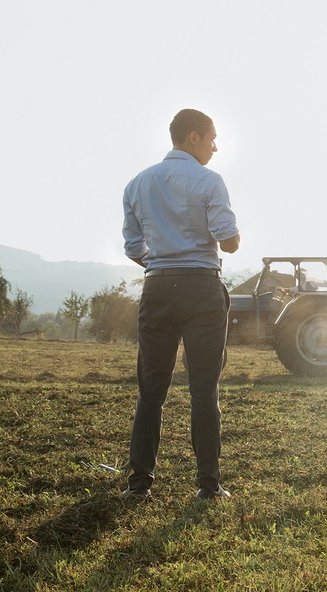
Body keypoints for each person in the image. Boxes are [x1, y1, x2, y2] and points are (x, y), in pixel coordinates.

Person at [121, 108, 241, 501]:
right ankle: (209, 486)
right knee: (204, 390)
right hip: (202, 289)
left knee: (150, 390)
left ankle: (139, 485)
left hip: (157, 290)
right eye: (211, 138)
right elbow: (229, 241)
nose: (215, 146)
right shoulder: (208, 181)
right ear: (193, 137)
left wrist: (162, 260)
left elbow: (134, 247)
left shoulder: (137, 184)